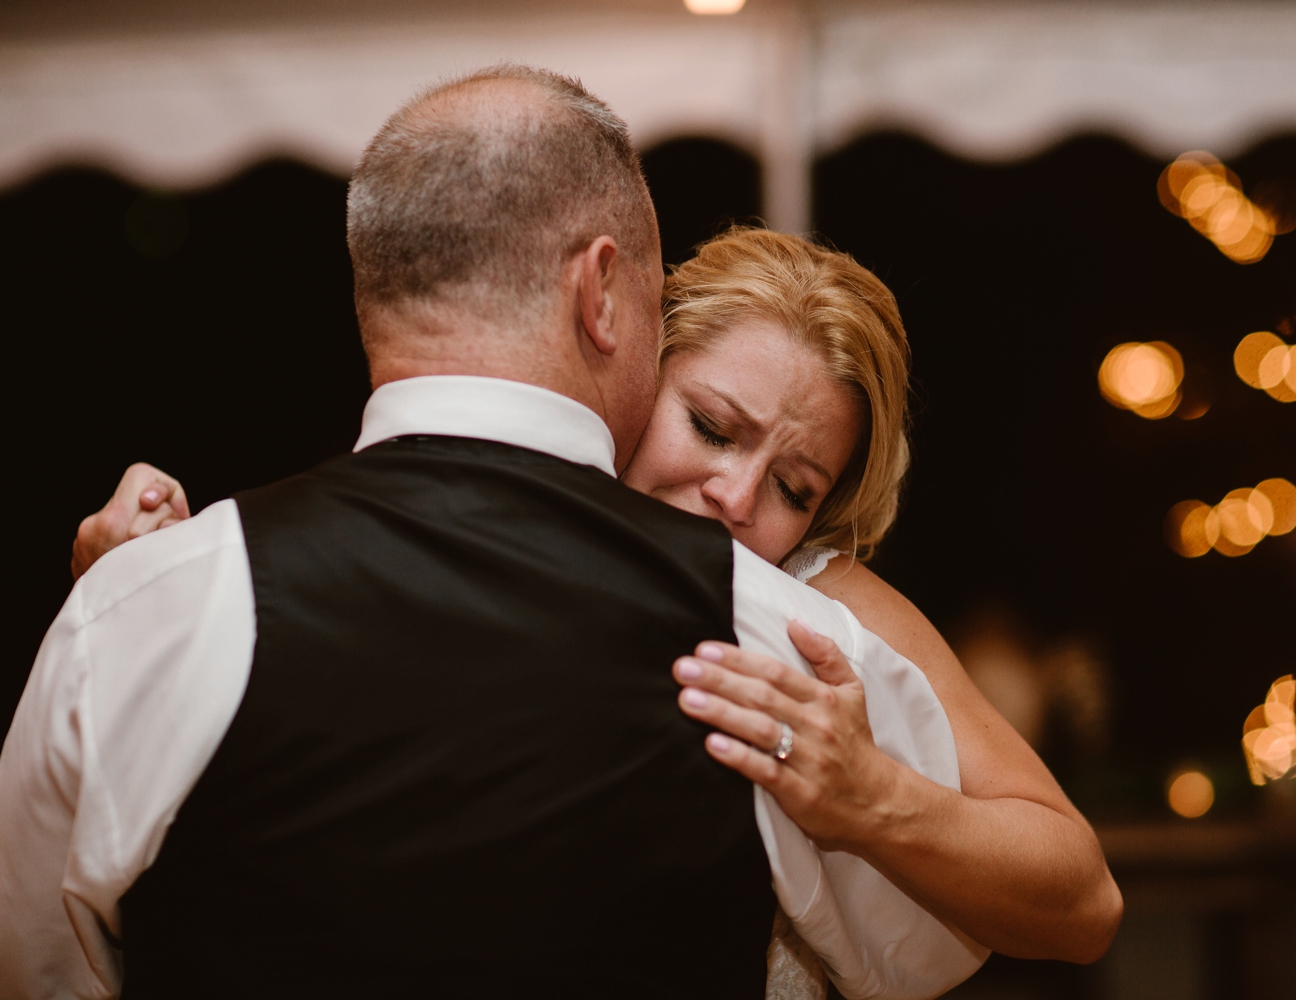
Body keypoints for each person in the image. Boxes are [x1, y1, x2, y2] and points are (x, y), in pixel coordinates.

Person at [5, 68, 1119, 999]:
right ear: (622, 327)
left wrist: (870, 794)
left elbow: (1075, 897)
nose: (734, 497)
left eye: (794, 483)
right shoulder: (212, 581)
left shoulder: (791, 640)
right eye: (709, 425)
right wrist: (140, 589)